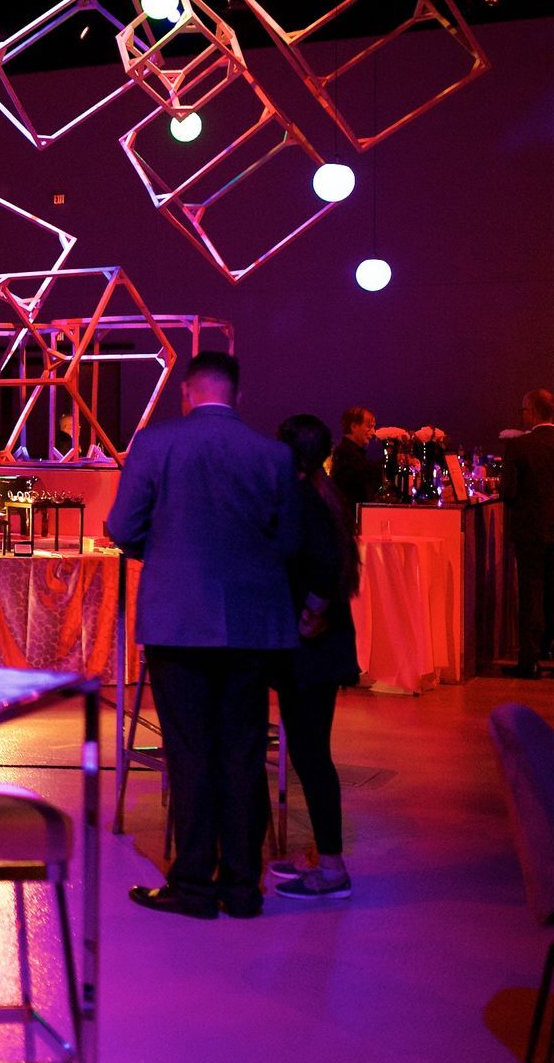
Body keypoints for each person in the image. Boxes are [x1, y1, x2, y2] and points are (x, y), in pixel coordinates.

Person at [104, 351, 298, 920]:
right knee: (242, 752)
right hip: (251, 624)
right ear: (238, 394)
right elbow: (289, 541)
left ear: (186, 393)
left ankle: (192, 883)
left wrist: (163, 552)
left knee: (188, 751)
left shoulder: (155, 444)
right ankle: (241, 887)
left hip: (178, 619)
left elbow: (123, 527)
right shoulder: (273, 454)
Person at [269, 414, 361, 900]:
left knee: (311, 757)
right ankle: (327, 859)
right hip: (319, 652)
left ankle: (332, 868)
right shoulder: (326, 495)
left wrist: (311, 614)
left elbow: (324, 566)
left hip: (311, 653)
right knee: (311, 754)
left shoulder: (304, 499)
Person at [503, 389, 554, 678]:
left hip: (531, 532)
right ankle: (549, 650)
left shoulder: (520, 446)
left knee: (531, 594)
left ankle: (530, 660)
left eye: (523, 410)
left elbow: (508, 492)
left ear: (532, 412)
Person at [329, 406, 382, 518]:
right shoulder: (346, 454)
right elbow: (366, 477)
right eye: (369, 426)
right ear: (353, 426)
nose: (373, 432)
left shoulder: (351, 452)